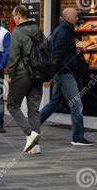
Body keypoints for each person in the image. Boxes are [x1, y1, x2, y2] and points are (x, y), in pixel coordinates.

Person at [40, 8, 94, 147]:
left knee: (54, 103)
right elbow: (56, 55)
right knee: (76, 104)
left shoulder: (63, 30)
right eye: (75, 16)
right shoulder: (64, 32)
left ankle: (32, 126)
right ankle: (77, 137)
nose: (77, 18)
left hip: (62, 72)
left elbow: (59, 53)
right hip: (64, 74)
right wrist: (49, 75)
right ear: (68, 17)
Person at [7, 6, 43, 153]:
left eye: (14, 16)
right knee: (34, 110)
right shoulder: (39, 31)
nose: (13, 19)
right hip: (38, 74)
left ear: (19, 16)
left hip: (22, 74)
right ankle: (35, 146)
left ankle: (30, 133)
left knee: (12, 105)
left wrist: (11, 74)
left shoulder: (17, 31)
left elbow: (14, 55)